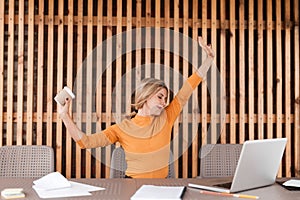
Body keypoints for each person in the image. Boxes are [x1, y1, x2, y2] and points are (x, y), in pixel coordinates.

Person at [57, 36, 215, 178]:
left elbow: (188, 87)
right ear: (146, 96)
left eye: (166, 98)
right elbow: (86, 142)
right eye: (160, 97)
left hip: (163, 188)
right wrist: (65, 116)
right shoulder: (122, 128)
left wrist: (209, 59)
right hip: (134, 187)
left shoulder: (167, 116)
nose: (164, 102)